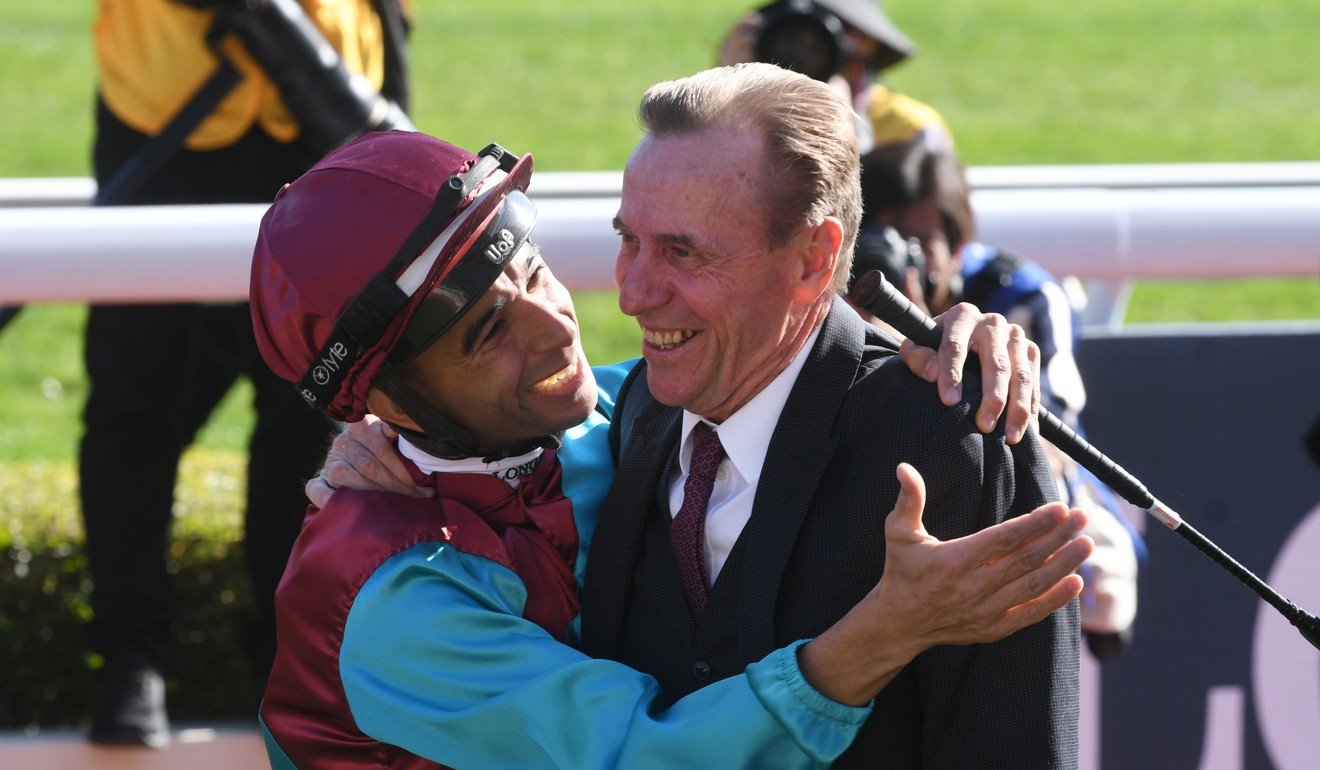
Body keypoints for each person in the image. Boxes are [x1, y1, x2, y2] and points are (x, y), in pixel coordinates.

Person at [251, 128, 1091, 768]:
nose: (557, 332)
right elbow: (648, 755)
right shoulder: (391, 609)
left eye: (534, 272)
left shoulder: (605, 414)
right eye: (486, 333)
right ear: (393, 402)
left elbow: (758, 368)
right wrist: (887, 631)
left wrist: (950, 342)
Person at [82, 0, 409, 747]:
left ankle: (290, 661)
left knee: (313, 406)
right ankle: (131, 664)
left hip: (328, 96)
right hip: (164, 105)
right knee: (135, 399)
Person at [851, 136, 1146, 659]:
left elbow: (1050, 444)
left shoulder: (1023, 296)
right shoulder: (835, 294)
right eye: (881, 237)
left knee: (1100, 589)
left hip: (1008, 496)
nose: (900, 258)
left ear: (959, 243)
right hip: (878, 507)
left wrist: (917, 342)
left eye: (918, 242)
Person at [720, 0, 954, 153]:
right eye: (789, 33)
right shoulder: (738, 119)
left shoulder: (908, 130)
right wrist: (729, 91)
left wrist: (839, 124)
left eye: (819, 34)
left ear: (866, 44)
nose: (799, 51)